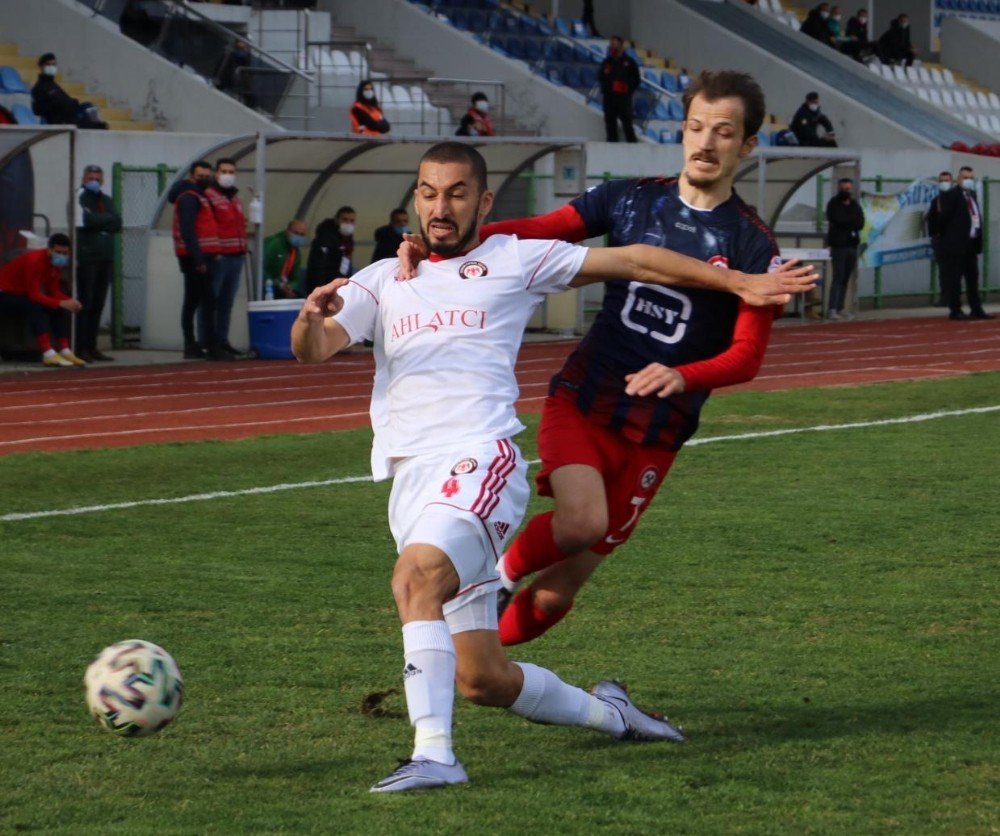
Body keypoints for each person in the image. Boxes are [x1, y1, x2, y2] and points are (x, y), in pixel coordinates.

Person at [293, 141, 815, 793]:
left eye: (457, 192)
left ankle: (435, 756)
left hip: (480, 460)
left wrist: (739, 282)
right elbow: (314, 351)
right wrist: (310, 320)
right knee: (481, 677)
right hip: (412, 481)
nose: (440, 205)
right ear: (415, 200)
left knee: (416, 579)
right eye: (428, 192)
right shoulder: (381, 278)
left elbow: (634, 258)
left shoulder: (515, 258)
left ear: (484, 201)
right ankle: (615, 718)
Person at [395, 72, 813, 651]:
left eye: (723, 132)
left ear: (746, 145)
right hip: (587, 398)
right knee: (583, 522)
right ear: (682, 132)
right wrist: (452, 239)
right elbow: (541, 233)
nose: (706, 143)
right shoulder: (630, 197)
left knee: (564, 584)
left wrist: (682, 374)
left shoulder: (750, 245)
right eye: (696, 127)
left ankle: (490, 663)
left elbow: (746, 356)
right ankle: (497, 582)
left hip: (659, 431)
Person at [0, 233, 85, 367]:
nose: (61, 256)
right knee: (34, 306)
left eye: (65, 253)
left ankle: (65, 350)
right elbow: (34, 295)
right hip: (4, 293)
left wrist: (69, 301)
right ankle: (48, 353)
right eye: (58, 252)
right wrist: (61, 302)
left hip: (22, 294)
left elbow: (54, 291)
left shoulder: (57, 263)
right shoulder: (34, 261)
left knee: (58, 308)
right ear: (49, 249)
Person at [168, 160, 221, 359]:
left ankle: (195, 344)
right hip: (195, 257)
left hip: (200, 255)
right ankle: (201, 344)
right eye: (201, 176)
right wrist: (199, 259)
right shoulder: (190, 198)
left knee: (197, 300)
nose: (205, 179)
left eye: (207, 175)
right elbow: (188, 230)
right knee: (202, 301)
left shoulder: (198, 195)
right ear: (192, 176)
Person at [930, 166, 994, 321]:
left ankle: (976, 308)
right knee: (955, 278)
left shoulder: (972, 194)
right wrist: (947, 238)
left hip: (970, 243)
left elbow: (975, 216)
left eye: (971, 177)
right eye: (965, 177)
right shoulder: (951, 195)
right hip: (955, 244)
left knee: (973, 277)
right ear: (958, 179)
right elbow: (942, 219)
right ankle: (955, 309)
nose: (968, 180)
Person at [75, 164, 121, 362]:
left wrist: (100, 220)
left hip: (105, 256)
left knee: (99, 303)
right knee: (86, 301)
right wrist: (104, 221)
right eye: (90, 177)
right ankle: (80, 346)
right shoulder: (80, 197)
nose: (94, 181)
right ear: (83, 179)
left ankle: (92, 346)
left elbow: (117, 222)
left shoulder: (107, 199)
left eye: (98, 178)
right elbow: (87, 221)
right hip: (88, 256)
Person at [204, 158, 247, 357]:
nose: (228, 175)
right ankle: (208, 342)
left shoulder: (235, 198)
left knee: (226, 302)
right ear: (216, 173)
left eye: (231, 171)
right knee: (210, 301)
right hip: (219, 257)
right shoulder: (210, 196)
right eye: (224, 171)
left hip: (236, 256)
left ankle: (222, 340)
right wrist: (215, 251)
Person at [31, 53, 107, 129]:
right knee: (95, 122)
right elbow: (37, 109)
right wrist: (56, 106)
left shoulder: (53, 85)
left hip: (71, 116)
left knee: (89, 107)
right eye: (48, 64)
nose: (51, 67)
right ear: (41, 66)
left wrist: (72, 102)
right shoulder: (40, 87)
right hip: (62, 121)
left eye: (54, 65)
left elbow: (65, 100)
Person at [825, 177, 864, 321]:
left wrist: (849, 222)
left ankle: (840, 307)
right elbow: (837, 219)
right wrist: (850, 222)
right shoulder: (833, 204)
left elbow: (860, 222)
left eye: (848, 189)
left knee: (846, 278)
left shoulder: (854, 205)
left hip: (852, 245)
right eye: (843, 189)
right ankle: (832, 308)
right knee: (838, 277)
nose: (846, 191)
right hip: (838, 246)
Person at [304, 206, 356, 297]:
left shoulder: (348, 240)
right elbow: (318, 268)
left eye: (352, 221)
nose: (348, 224)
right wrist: (319, 292)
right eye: (345, 220)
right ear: (336, 220)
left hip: (339, 288)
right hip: (325, 290)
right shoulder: (325, 239)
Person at [599, 36, 640, 143]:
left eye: (615, 44)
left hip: (623, 98)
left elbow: (636, 79)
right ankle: (612, 146)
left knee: (627, 123)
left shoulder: (629, 62)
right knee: (610, 124)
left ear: (621, 46)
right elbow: (600, 77)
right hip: (609, 98)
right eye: (611, 44)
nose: (613, 46)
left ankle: (632, 145)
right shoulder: (607, 62)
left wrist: (626, 88)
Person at [263, 219, 308, 298]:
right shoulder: (274, 244)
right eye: (296, 233)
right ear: (287, 231)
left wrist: (290, 287)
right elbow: (262, 271)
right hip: (269, 286)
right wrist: (278, 284)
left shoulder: (296, 252)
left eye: (302, 235)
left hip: (283, 286)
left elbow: (295, 278)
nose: (299, 237)